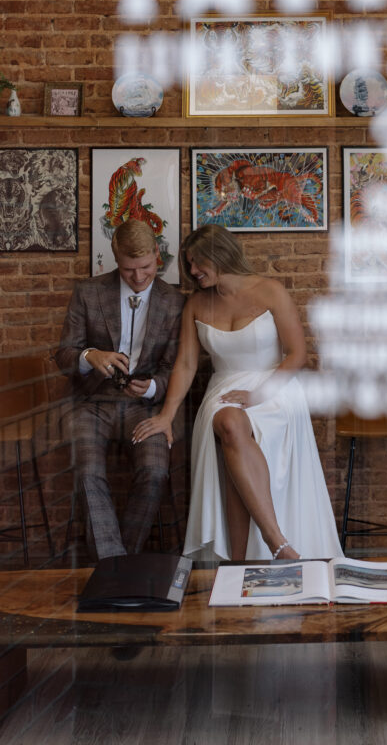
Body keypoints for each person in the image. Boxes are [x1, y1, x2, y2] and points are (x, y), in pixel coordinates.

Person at [132, 224, 342, 562]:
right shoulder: (196, 305)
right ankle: (277, 543)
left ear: (222, 256)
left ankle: (241, 561)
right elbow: (186, 365)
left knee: (233, 439)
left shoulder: (270, 291)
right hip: (224, 389)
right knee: (229, 421)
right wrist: (166, 415)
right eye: (190, 265)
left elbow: (297, 354)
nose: (194, 272)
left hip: (275, 388)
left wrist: (259, 394)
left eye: (198, 263)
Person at [56, 219, 185, 559]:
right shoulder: (88, 292)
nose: (139, 277)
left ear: (158, 255)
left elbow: (177, 367)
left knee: (156, 471)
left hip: (146, 407)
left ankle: (121, 561)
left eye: (146, 267)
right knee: (87, 470)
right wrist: (90, 355)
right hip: (91, 401)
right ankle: (112, 562)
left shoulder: (175, 301)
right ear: (115, 260)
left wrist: (153, 387)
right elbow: (63, 354)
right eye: (129, 270)